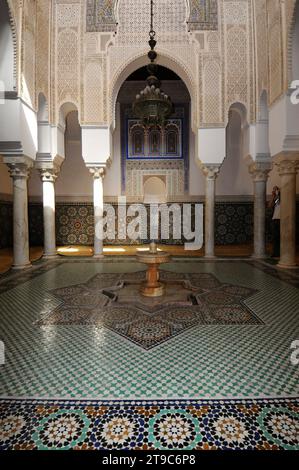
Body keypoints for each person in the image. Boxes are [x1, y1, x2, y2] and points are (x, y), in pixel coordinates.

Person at [269, 186, 280, 258]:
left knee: (280, 237)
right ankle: (275, 253)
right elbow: (270, 205)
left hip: (282, 219)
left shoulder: (285, 198)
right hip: (275, 219)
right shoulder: (277, 200)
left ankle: (280, 253)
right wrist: (273, 196)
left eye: (276, 189)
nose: (275, 191)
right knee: (275, 237)